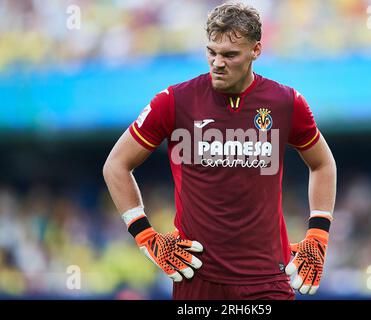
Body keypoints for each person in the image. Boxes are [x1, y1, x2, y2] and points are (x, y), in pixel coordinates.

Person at [103, 1, 336, 300]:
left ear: (256, 51)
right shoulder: (174, 101)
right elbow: (116, 165)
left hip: (267, 278)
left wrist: (318, 234)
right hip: (197, 276)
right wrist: (145, 235)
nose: (217, 62)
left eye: (229, 54)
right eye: (211, 52)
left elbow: (323, 164)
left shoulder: (286, 102)